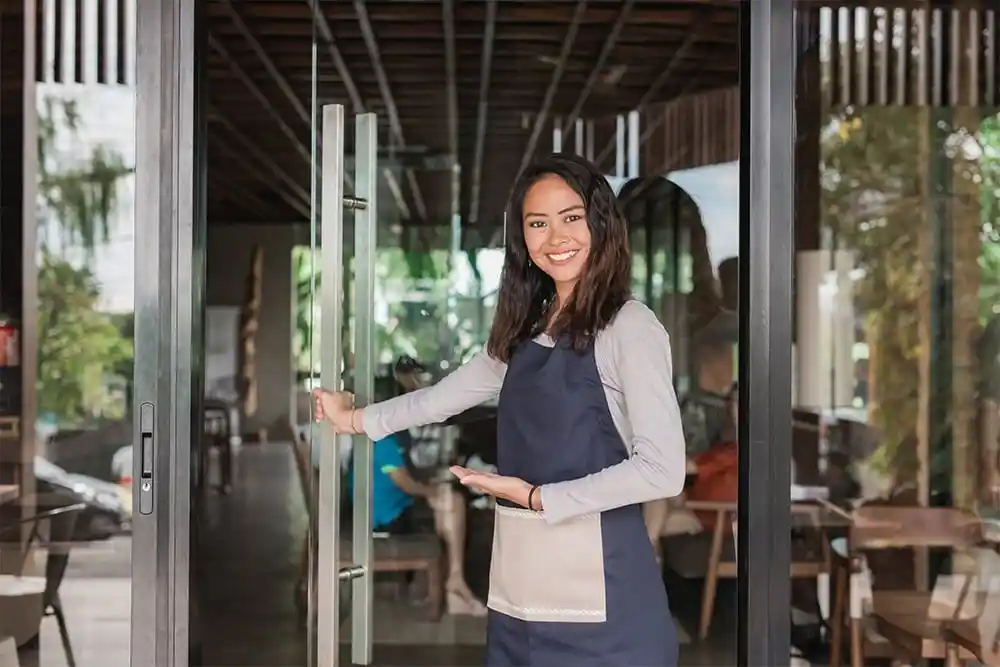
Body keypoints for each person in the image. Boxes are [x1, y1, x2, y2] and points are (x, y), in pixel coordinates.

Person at [315, 153, 685, 666]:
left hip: (606, 594)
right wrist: (353, 419)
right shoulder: (527, 330)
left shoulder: (629, 326)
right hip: (522, 586)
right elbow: (442, 398)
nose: (556, 238)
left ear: (601, 223)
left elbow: (663, 471)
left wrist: (538, 499)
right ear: (523, 239)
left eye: (571, 217)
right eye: (538, 223)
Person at [349, 357, 485, 616]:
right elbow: (406, 483)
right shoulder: (382, 437)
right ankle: (454, 584)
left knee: (448, 502)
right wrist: (431, 490)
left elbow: (405, 474)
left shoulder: (389, 433)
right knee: (450, 502)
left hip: (393, 504)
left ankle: (455, 583)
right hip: (382, 517)